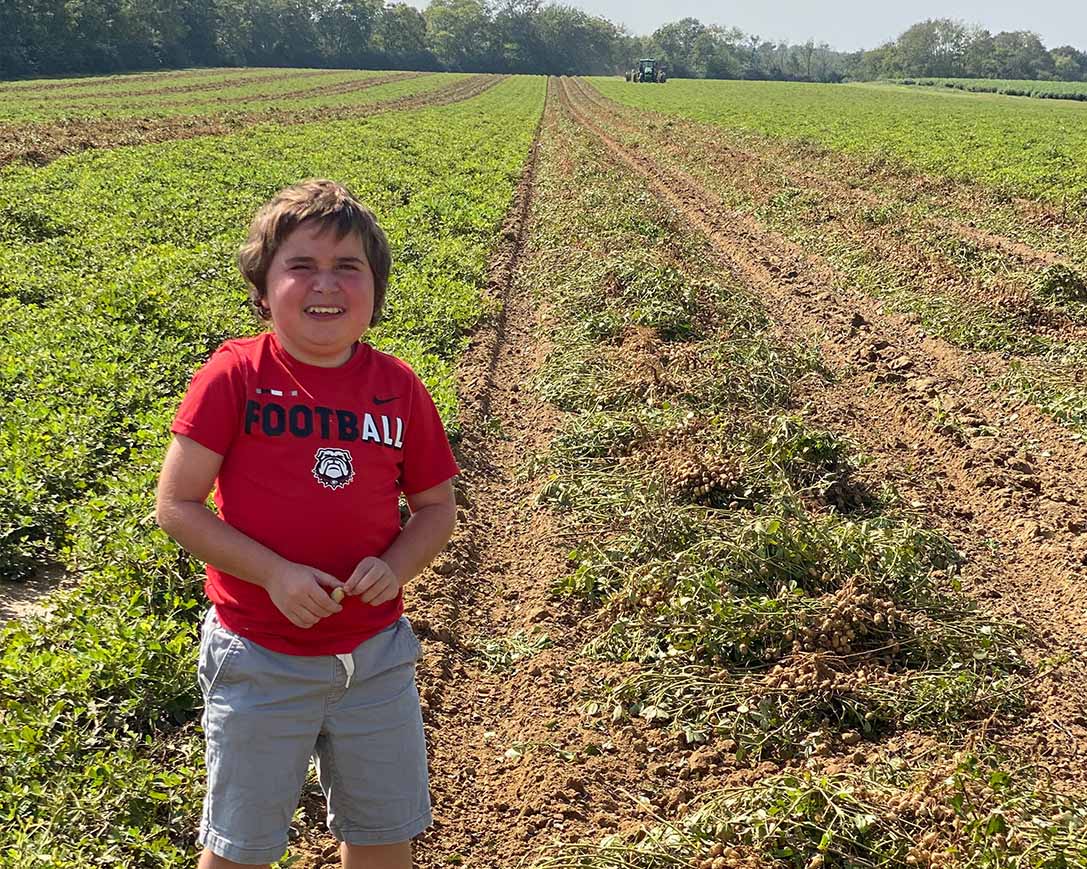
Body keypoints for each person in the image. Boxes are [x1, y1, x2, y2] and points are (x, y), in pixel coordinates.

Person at [156, 179, 458, 869]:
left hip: (375, 658)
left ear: (375, 291)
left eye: (348, 267)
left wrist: (397, 565)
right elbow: (176, 504)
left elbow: (436, 508)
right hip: (259, 657)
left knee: (384, 838)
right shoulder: (234, 375)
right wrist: (274, 573)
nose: (326, 283)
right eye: (302, 265)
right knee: (241, 846)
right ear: (263, 289)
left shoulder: (398, 385)